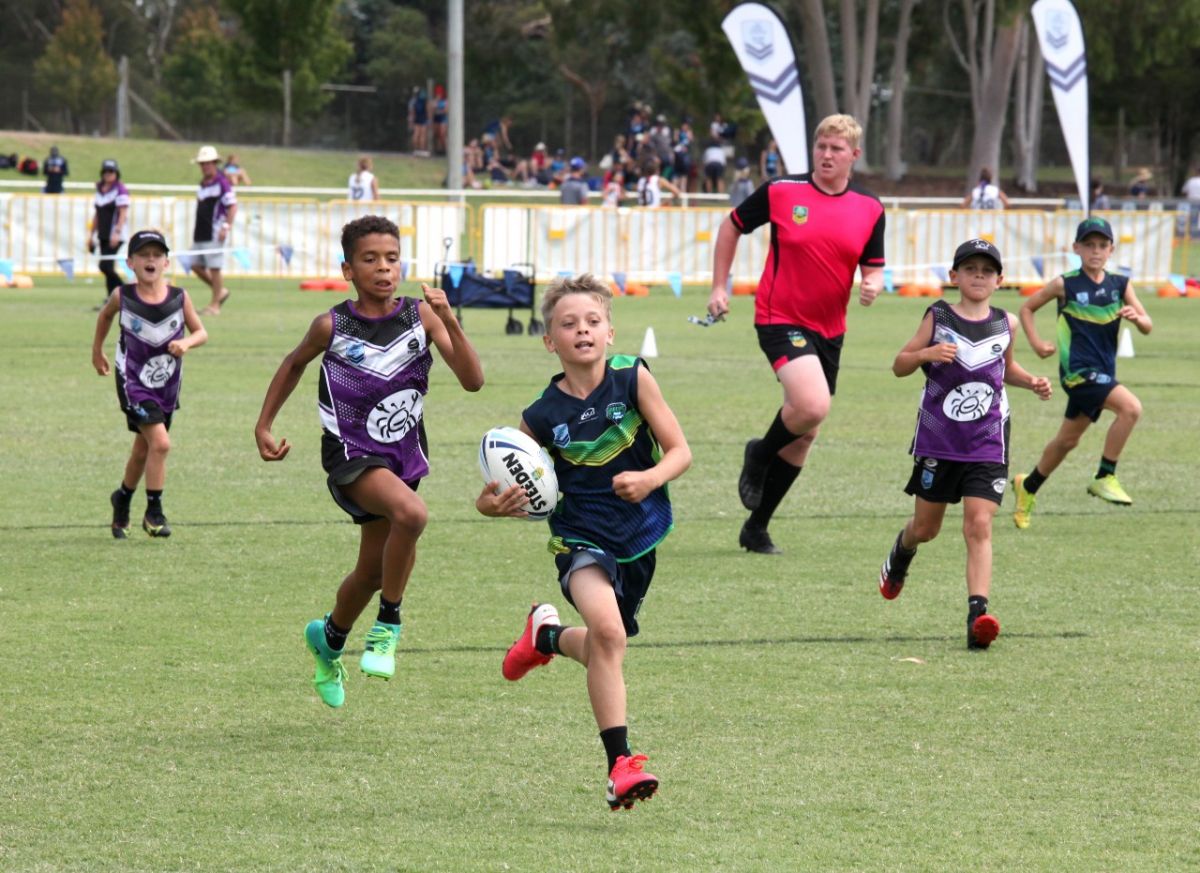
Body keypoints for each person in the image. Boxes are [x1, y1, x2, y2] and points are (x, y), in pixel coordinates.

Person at [475, 274, 691, 811]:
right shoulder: (542, 415)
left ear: (611, 333)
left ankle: (545, 638)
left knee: (605, 646)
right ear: (550, 341)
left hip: (640, 536)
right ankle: (620, 765)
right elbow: (496, 486)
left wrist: (649, 479)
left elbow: (680, 451)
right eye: (568, 324)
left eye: (592, 321)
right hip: (580, 539)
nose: (582, 330)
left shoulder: (633, 379)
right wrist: (491, 505)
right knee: (609, 632)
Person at [254, 215, 484, 709]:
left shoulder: (422, 316)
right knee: (413, 515)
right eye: (370, 259)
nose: (383, 268)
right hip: (350, 454)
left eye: (392, 258)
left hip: (403, 454)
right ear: (347, 269)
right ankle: (389, 625)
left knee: (373, 569)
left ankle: (329, 640)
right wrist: (264, 425)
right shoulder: (331, 325)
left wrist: (450, 319)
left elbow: (473, 380)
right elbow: (293, 364)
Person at [707, 114, 886, 555]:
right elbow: (731, 225)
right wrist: (718, 285)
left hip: (831, 329)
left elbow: (874, 263)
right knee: (811, 405)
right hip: (779, 316)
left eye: (836, 149)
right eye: (821, 146)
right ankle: (760, 454)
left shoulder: (870, 207)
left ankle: (757, 526)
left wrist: (874, 283)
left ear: (854, 156)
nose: (826, 155)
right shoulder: (782, 191)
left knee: (806, 431)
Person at [877, 239, 1052, 649]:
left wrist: (1031, 382)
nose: (978, 276)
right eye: (969, 268)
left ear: (999, 280)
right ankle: (902, 553)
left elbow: (1004, 369)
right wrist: (926, 353)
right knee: (926, 528)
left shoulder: (1005, 323)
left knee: (979, 524)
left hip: (988, 439)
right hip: (939, 439)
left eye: (986, 270)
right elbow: (899, 364)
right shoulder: (937, 315)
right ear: (954, 276)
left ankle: (978, 615)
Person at [1011, 217, 1153, 528]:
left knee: (1067, 441)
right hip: (1077, 373)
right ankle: (1105, 475)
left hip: (1103, 372)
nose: (1096, 251)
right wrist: (1036, 343)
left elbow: (1147, 324)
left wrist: (1136, 318)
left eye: (1102, 245)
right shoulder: (1065, 284)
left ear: (1111, 250)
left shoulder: (1120, 285)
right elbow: (1026, 308)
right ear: (1076, 248)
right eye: (1089, 245)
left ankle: (1028, 485)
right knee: (1131, 408)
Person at [91, 230, 208, 539]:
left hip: (167, 385)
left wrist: (186, 343)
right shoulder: (123, 296)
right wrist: (97, 352)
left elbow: (201, 332)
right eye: (144, 255)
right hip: (133, 383)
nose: (151, 260)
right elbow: (104, 318)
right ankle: (154, 513)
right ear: (131, 262)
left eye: (157, 255)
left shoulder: (179, 297)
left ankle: (122, 498)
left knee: (143, 450)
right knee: (161, 443)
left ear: (167, 262)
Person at [190, 145, 237, 315]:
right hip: (200, 232)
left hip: (215, 231)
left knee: (214, 268)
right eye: (202, 163)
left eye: (208, 163)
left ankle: (215, 305)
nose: (205, 166)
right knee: (194, 264)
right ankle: (221, 291)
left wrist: (226, 226)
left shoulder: (222, 183)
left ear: (215, 163)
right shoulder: (202, 184)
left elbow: (232, 206)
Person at [90, 159, 130, 304]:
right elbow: (97, 214)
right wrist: (91, 234)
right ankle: (111, 297)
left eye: (111, 171)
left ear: (116, 173)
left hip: (115, 234)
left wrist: (117, 232)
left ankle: (126, 292)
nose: (108, 174)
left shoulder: (120, 190)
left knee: (105, 265)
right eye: (106, 171)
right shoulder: (100, 190)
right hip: (103, 233)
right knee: (107, 267)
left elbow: (123, 212)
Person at [432, 85, 448, 155]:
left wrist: (438, 110)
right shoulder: (435, 100)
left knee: (442, 134)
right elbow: (432, 109)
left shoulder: (445, 101)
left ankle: (446, 149)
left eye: (440, 93)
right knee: (436, 134)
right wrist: (436, 102)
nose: (439, 94)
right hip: (436, 118)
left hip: (443, 118)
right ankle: (438, 149)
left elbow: (446, 110)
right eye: (437, 93)